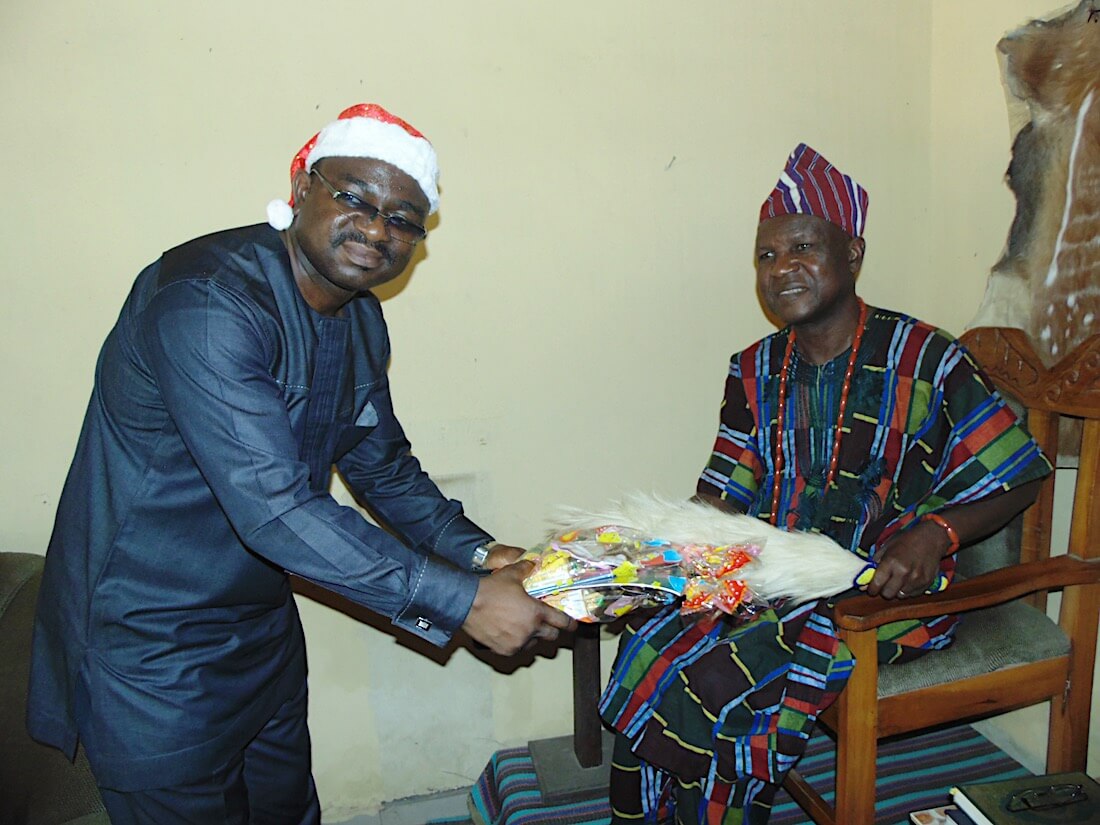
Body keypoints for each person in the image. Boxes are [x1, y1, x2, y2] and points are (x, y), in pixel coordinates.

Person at [27, 103, 575, 824]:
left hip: (261, 634)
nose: (377, 229)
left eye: (403, 219)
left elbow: (382, 467)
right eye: (355, 198)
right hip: (150, 648)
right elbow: (276, 508)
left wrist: (483, 553)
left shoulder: (359, 318)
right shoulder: (207, 302)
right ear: (300, 186)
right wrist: (466, 601)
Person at [598, 144, 1052, 825]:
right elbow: (722, 494)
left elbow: (1020, 473)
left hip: (880, 595)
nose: (782, 268)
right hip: (767, 574)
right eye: (767, 256)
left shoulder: (925, 357)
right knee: (653, 635)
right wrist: (654, 555)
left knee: (716, 678)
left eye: (803, 247)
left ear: (853, 253)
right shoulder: (752, 369)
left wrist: (936, 533)